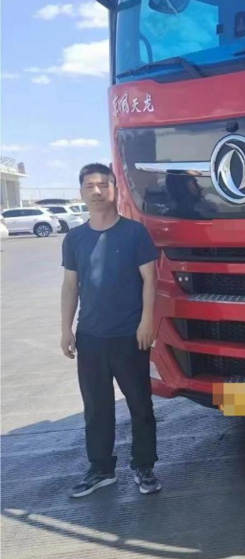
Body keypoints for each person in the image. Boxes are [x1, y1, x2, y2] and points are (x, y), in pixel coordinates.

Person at [61, 163, 161, 497]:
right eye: (90, 186)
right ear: (81, 192)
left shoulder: (135, 233)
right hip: (90, 337)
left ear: (115, 190)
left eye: (103, 185)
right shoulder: (75, 238)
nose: (97, 191)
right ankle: (102, 469)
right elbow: (70, 286)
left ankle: (144, 466)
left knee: (140, 405)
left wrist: (147, 321)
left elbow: (150, 280)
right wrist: (66, 329)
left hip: (130, 335)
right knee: (96, 407)